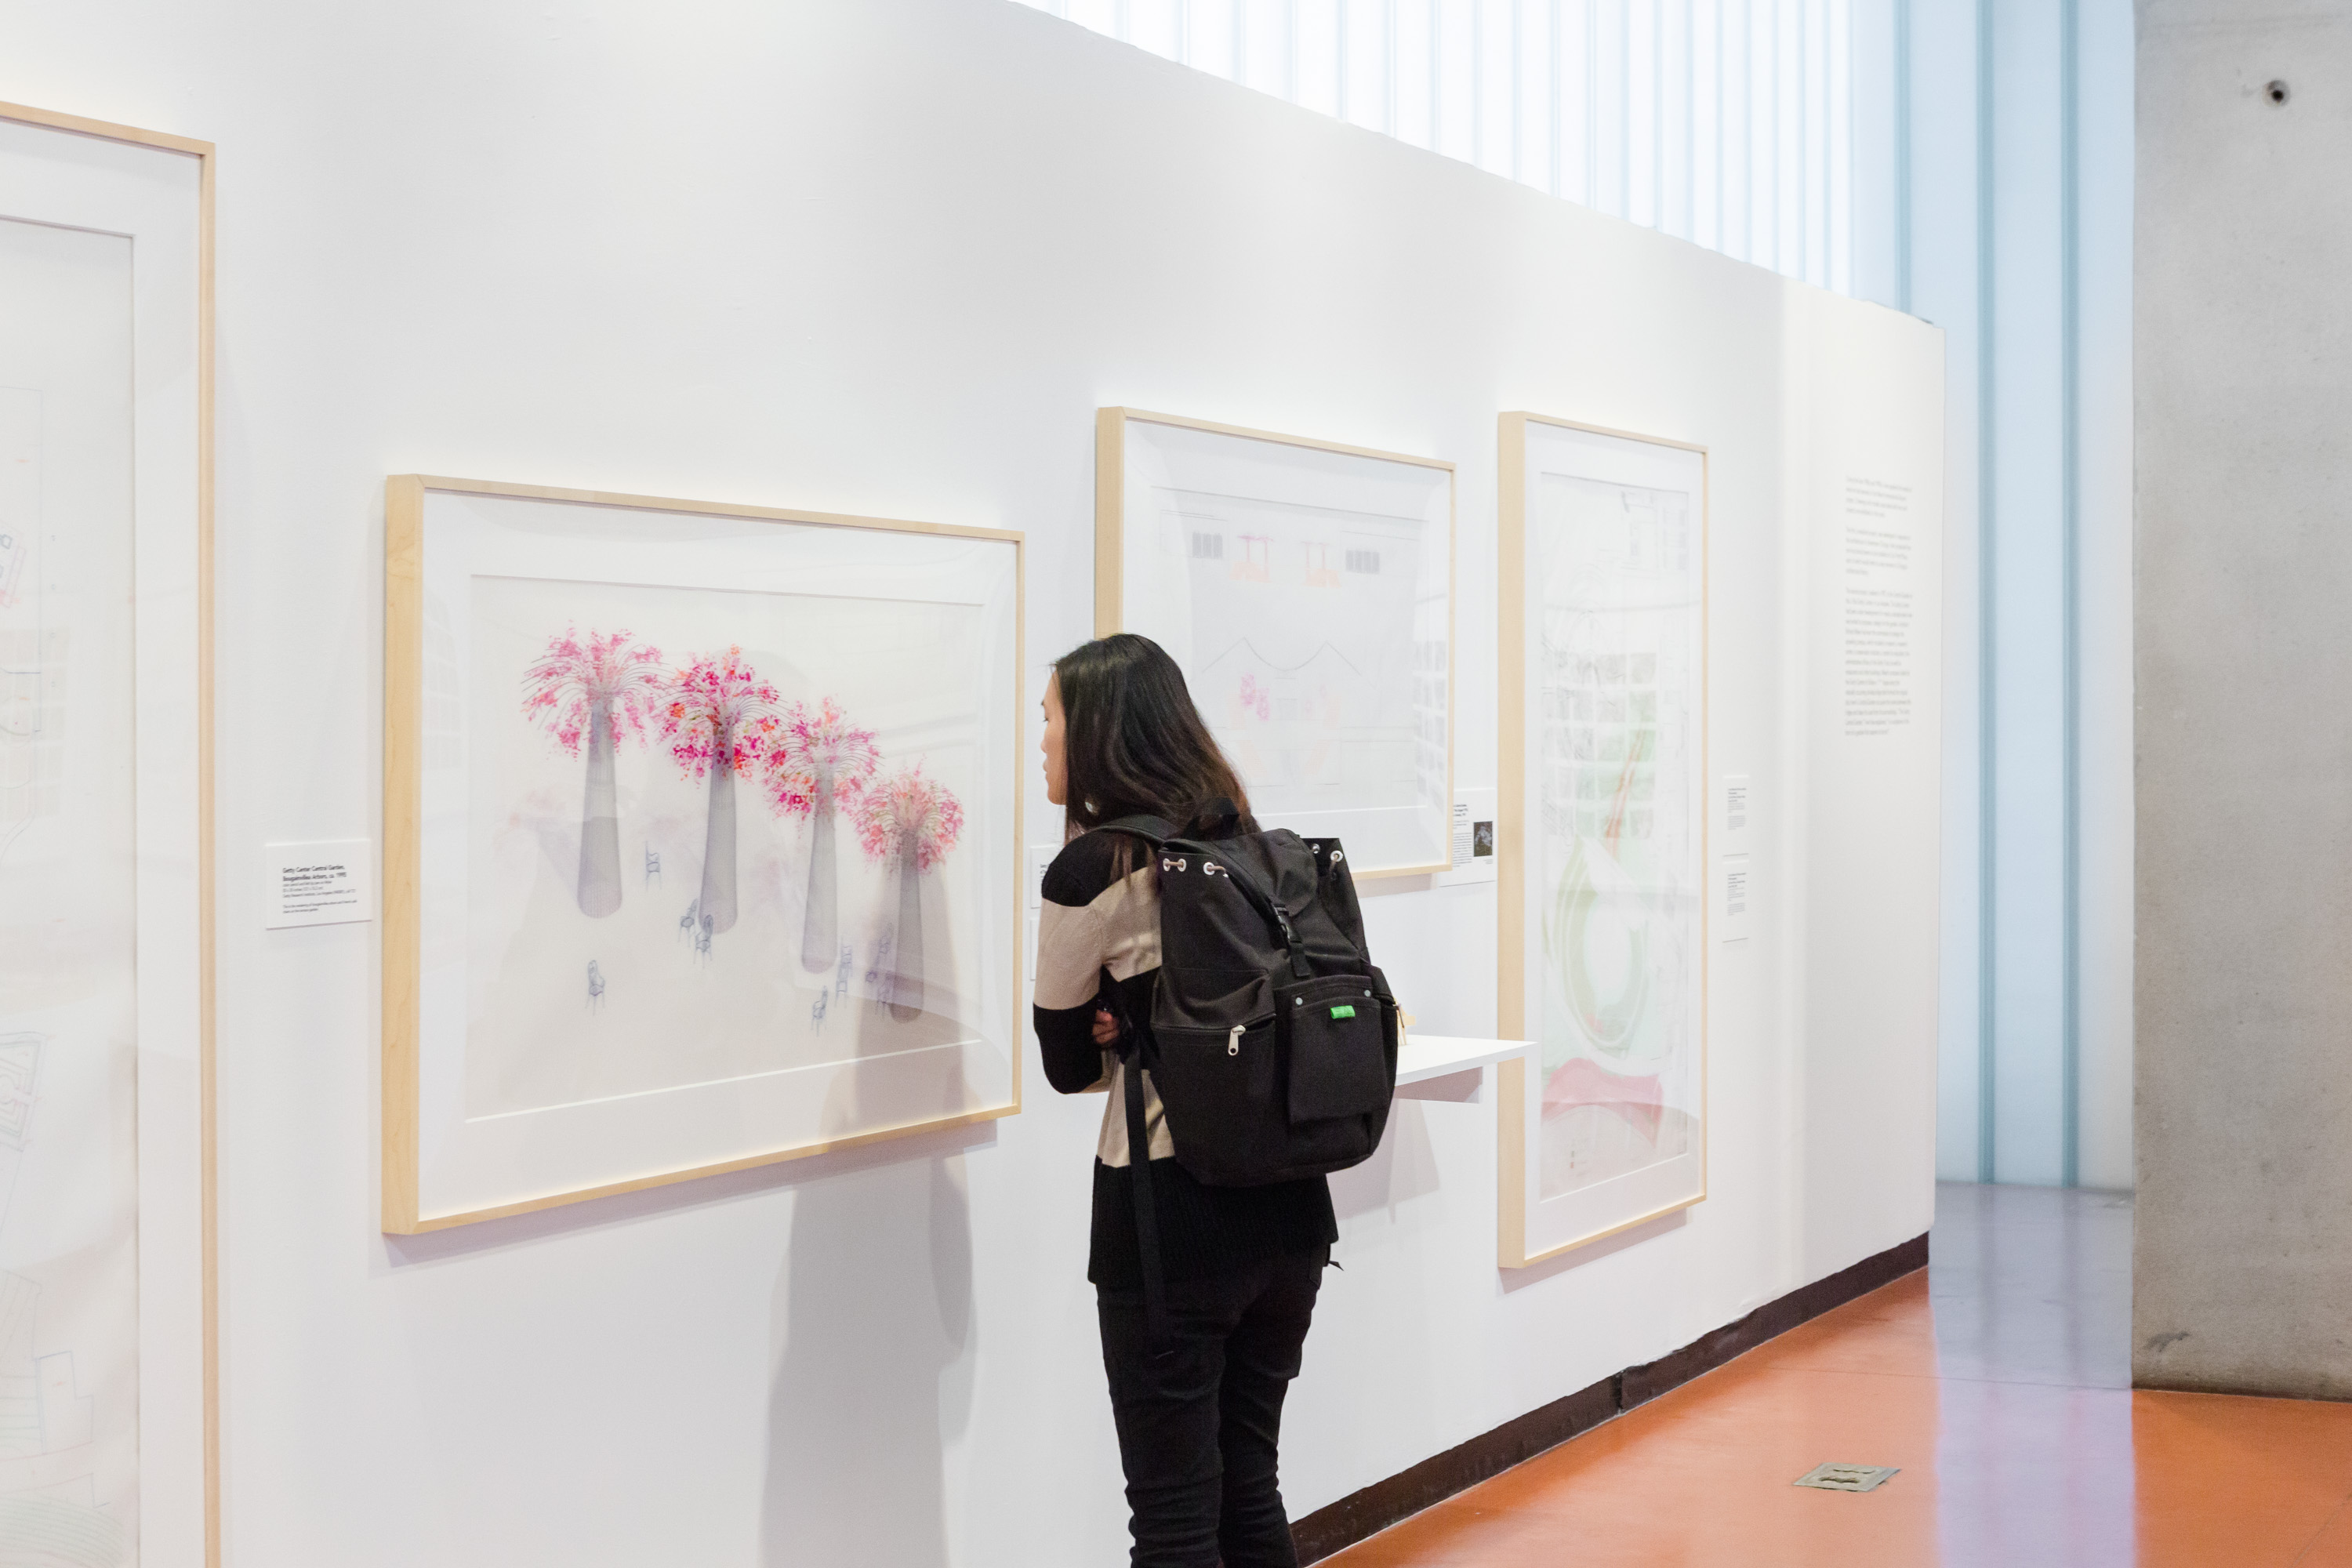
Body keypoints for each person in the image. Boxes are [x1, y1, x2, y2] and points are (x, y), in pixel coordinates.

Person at [1034, 633, 1338, 1568]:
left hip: (1170, 1222)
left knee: (1170, 1519)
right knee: (1250, 1481)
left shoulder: (1093, 869)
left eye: (1047, 719)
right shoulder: (1252, 848)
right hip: (1293, 1215)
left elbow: (1064, 1062)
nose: (1039, 741)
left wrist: (1114, 1029)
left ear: (1095, 736)